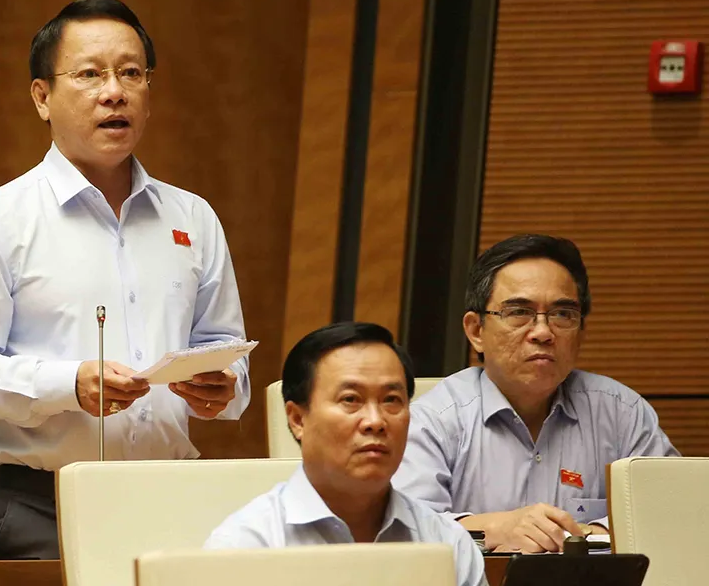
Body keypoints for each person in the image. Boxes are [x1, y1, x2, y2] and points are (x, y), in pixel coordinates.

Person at [0, 0, 250, 560]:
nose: (114, 92)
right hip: (40, 511)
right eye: (90, 74)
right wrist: (67, 384)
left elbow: (226, 348)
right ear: (42, 97)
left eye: (131, 73)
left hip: (175, 501)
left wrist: (224, 384)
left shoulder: (193, 218)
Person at [392, 234, 679, 554]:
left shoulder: (621, 413)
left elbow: (675, 511)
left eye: (562, 314)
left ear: (580, 331)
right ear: (476, 331)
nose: (543, 332)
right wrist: (495, 530)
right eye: (519, 312)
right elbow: (406, 531)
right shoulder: (430, 420)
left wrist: (587, 534)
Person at [205, 322, 486, 586]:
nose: (375, 421)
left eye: (391, 400)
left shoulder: (448, 545)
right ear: (298, 419)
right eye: (350, 399)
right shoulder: (245, 547)